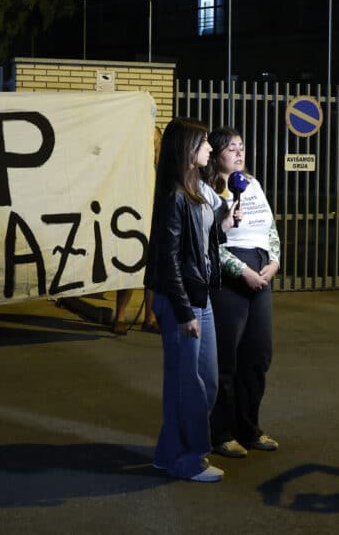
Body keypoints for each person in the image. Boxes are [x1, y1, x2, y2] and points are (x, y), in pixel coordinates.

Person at [143, 117, 233, 482]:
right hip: (182, 301)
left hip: (198, 297)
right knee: (191, 385)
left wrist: (222, 227)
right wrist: (184, 311)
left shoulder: (194, 188)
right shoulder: (175, 196)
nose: (211, 148)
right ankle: (188, 460)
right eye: (204, 143)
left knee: (200, 381)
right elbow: (169, 260)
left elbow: (201, 243)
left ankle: (168, 453)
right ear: (188, 149)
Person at [204, 127, 282, 459]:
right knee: (226, 359)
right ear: (216, 154)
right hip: (231, 275)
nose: (239, 153)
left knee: (258, 355)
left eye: (242, 147)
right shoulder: (208, 190)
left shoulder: (253, 183)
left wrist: (275, 261)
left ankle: (249, 428)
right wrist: (242, 271)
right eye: (231, 148)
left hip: (261, 269)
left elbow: (270, 227)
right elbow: (208, 243)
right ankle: (220, 433)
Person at [112, 126, 163, 335]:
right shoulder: (132, 167)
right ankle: (120, 316)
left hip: (155, 222)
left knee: (153, 273)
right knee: (130, 268)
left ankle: (150, 318)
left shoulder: (161, 169)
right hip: (134, 223)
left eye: (155, 141)